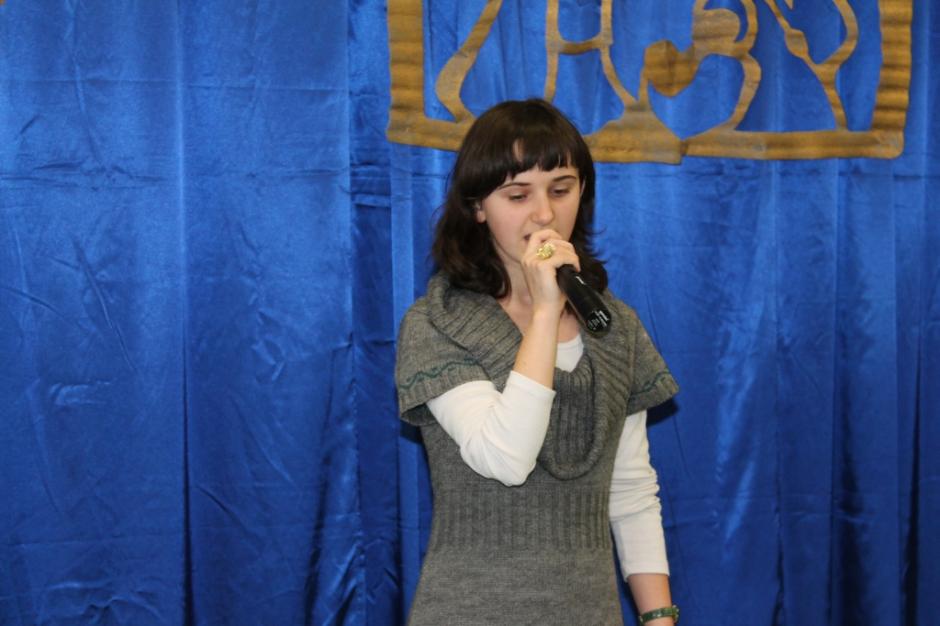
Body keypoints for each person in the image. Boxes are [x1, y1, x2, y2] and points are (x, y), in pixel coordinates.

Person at [395, 98, 680, 625]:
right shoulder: (436, 323)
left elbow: (630, 490)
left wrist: (659, 617)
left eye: (561, 189)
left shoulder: (613, 326)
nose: (544, 214)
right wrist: (546, 311)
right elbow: (506, 459)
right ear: (478, 207)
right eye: (518, 195)